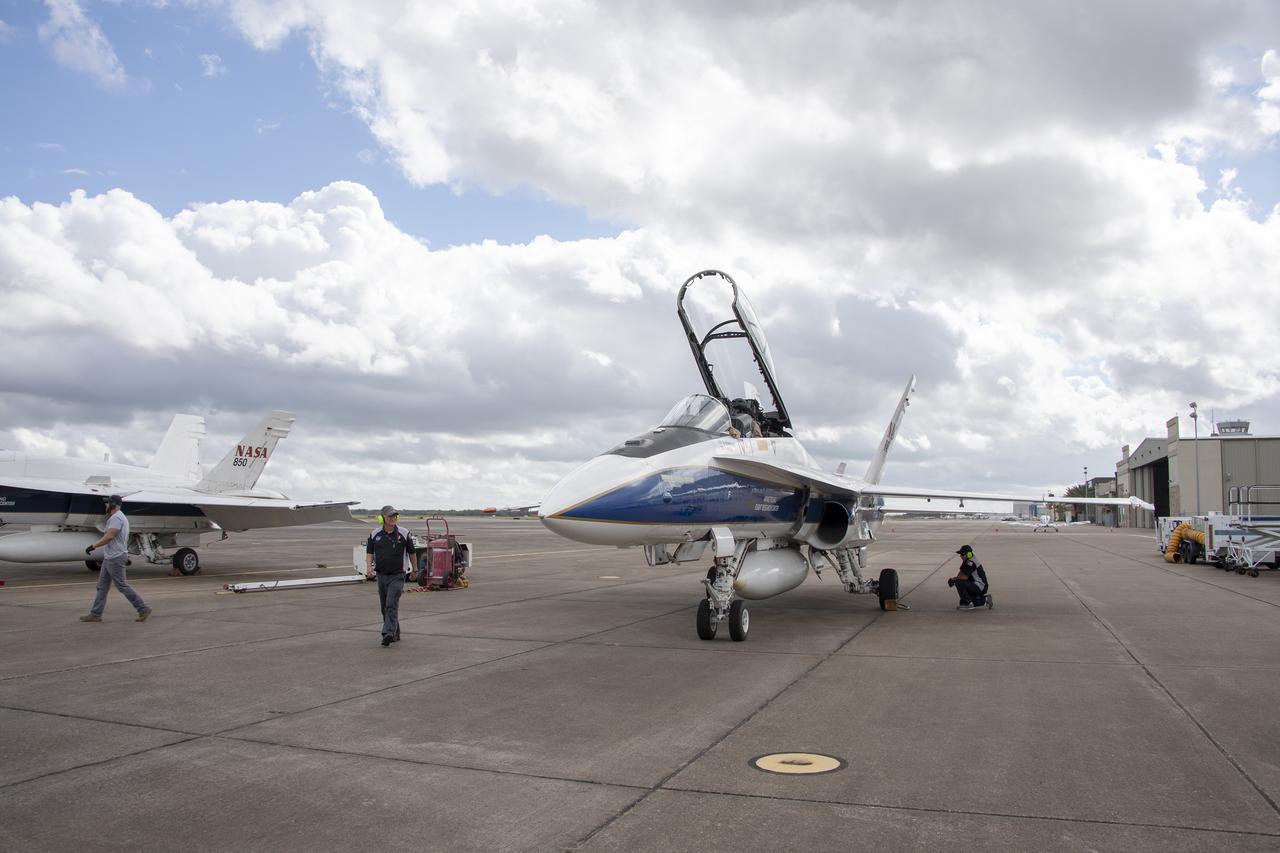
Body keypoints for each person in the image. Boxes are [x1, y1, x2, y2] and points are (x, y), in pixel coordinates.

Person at [80, 496, 152, 622]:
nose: (105, 506)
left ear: (113, 504)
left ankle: (143, 608)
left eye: (107, 503)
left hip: (116, 557)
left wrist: (93, 546)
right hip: (110, 557)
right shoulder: (116, 517)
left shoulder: (117, 518)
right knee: (102, 586)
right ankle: (96, 614)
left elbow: (110, 536)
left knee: (122, 586)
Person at [365, 505, 415, 646]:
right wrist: (369, 568)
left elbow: (412, 552)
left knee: (391, 604)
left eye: (395, 516)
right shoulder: (374, 533)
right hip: (381, 575)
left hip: (398, 575)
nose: (393, 518)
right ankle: (395, 632)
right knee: (384, 607)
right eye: (389, 516)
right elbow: (369, 552)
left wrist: (415, 570)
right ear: (382, 518)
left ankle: (387, 633)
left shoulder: (404, 533)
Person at [948, 544, 992, 610]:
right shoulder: (967, 560)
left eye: (962, 554)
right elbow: (961, 573)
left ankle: (968, 603)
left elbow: (964, 577)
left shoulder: (971, 562)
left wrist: (954, 580)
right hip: (977, 585)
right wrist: (954, 579)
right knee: (963, 601)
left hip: (980, 586)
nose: (960, 556)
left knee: (959, 583)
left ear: (968, 554)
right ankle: (985, 599)